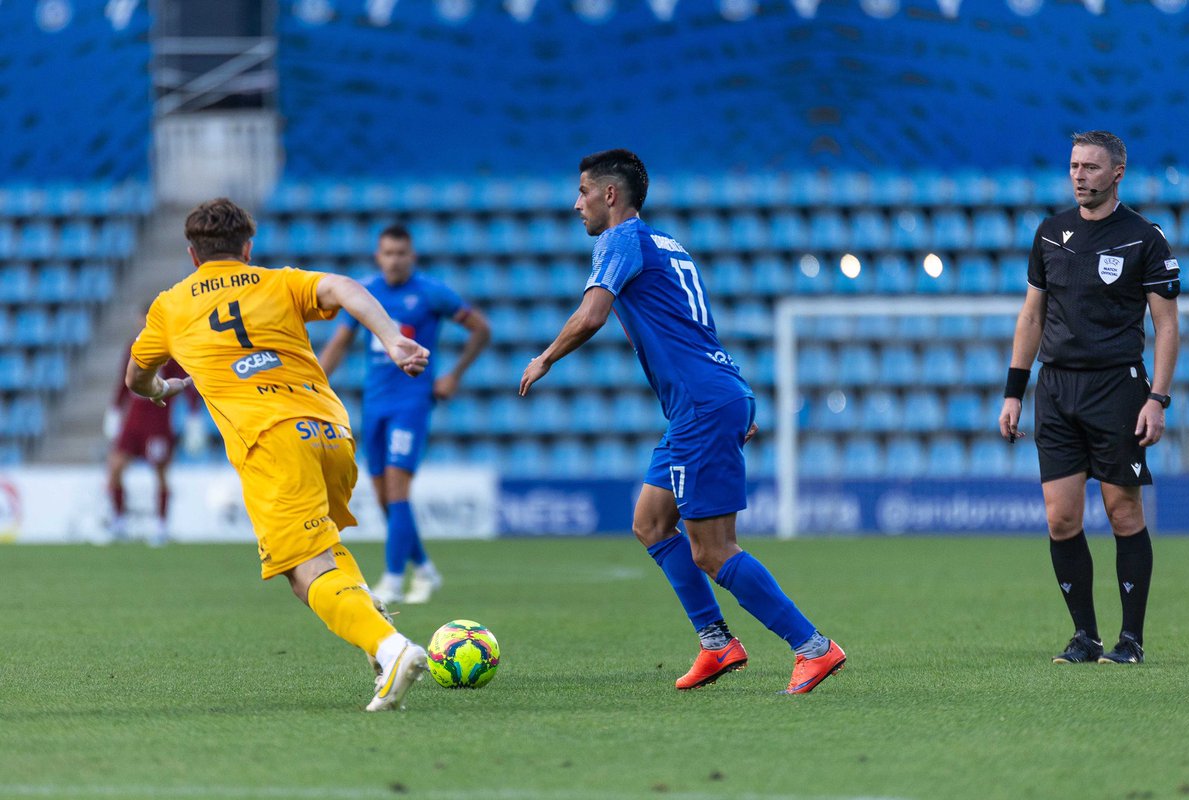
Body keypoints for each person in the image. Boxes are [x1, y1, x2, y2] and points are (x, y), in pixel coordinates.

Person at [520, 149, 845, 695]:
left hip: (701, 404)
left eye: (582, 192)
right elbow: (695, 328)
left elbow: (592, 314)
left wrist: (546, 357)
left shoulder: (619, 240)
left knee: (712, 549)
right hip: (705, 400)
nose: (575, 204)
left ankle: (813, 647)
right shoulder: (669, 246)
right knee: (650, 521)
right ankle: (717, 643)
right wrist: (735, 398)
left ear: (610, 194)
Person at [126, 198, 432, 711]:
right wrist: (392, 339)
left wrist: (159, 389)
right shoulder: (279, 281)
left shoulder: (171, 306)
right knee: (323, 550)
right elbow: (346, 287)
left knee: (303, 571)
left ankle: (392, 648)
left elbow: (135, 377)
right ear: (248, 248)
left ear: (192, 254)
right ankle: (375, 631)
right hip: (332, 433)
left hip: (271, 443)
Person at [999, 130, 1180, 665]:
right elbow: (1032, 315)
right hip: (1055, 390)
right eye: (1074, 166)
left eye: (1092, 167)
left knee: (1123, 511)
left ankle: (1131, 640)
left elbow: (1167, 326)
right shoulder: (1051, 233)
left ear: (1117, 172)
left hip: (1116, 388)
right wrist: (1014, 392)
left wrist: (1158, 399)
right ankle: (1085, 637)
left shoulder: (1144, 238)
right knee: (1060, 519)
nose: (1080, 175)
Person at [320, 224, 491, 604]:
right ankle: (426, 571)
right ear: (378, 256)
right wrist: (311, 383)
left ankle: (394, 580)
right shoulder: (366, 294)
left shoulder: (431, 293)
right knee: (384, 497)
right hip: (374, 403)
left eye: (401, 253)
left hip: (411, 403)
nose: (394, 260)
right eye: (387, 253)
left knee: (398, 489)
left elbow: (481, 329)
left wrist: (453, 376)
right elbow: (339, 344)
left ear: (411, 256)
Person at [105, 321, 204, 546]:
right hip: (133, 421)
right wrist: (115, 409)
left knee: (160, 473)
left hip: (157, 420)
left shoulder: (170, 349)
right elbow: (124, 381)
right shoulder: (134, 346)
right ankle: (118, 523)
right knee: (115, 467)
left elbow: (186, 382)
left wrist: (193, 416)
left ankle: (161, 526)